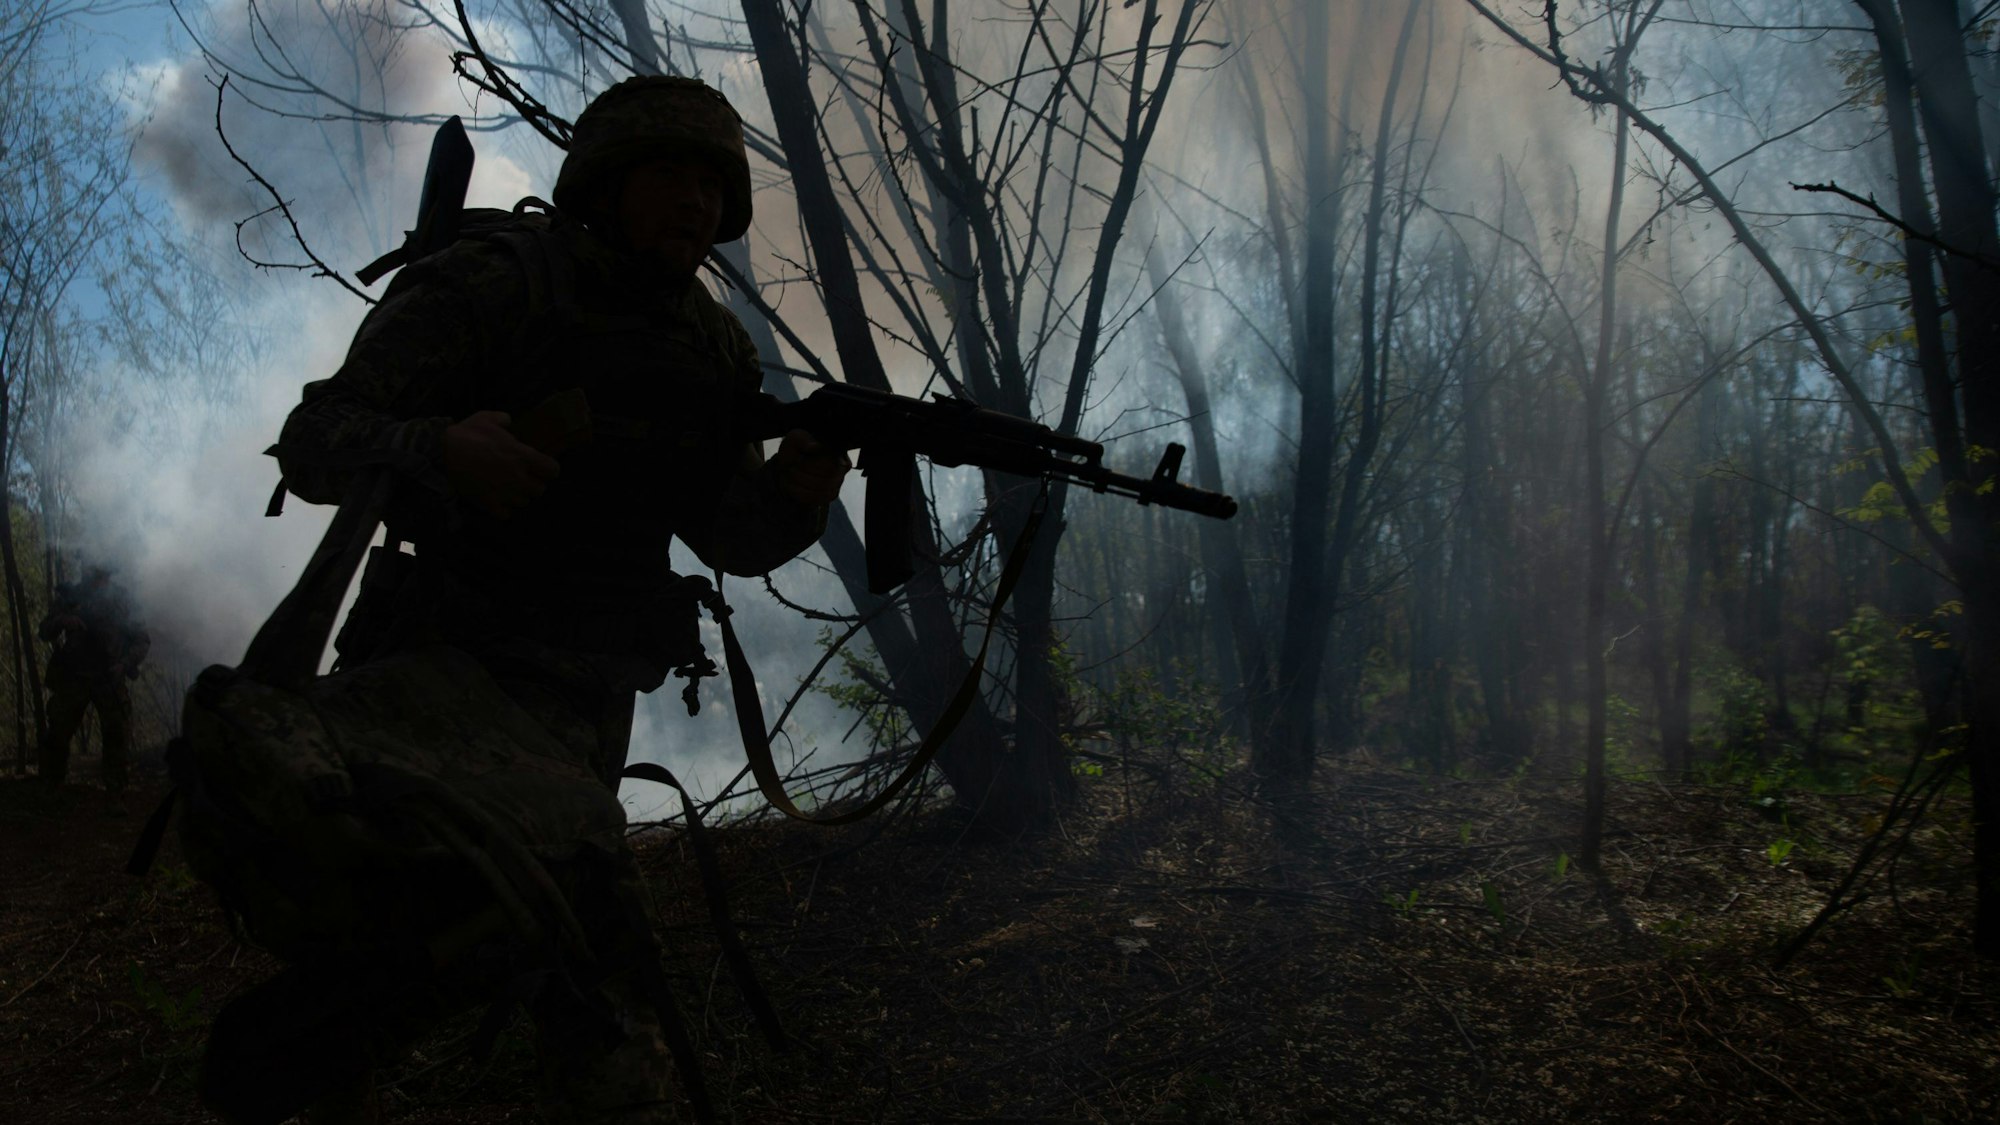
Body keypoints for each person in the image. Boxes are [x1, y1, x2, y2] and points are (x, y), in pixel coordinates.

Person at [208, 76, 851, 1125]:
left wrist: (798, 492)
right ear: (606, 180)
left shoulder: (709, 345)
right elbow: (319, 435)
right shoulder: (500, 281)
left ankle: (313, 1046)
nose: (693, 203)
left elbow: (730, 536)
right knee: (598, 970)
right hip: (446, 679)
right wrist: (438, 449)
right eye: (668, 175)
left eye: (710, 186)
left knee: (486, 938)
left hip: (588, 702)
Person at [38, 564, 150, 792]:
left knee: (116, 734)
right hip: (73, 677)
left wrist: (124, 664)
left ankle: (115, 790)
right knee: (58, 732)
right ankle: (51, 786)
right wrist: (62, 621)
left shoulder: (121, 599)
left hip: (108, 676)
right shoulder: (71, 596)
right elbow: (44, 631)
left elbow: (141, 640)